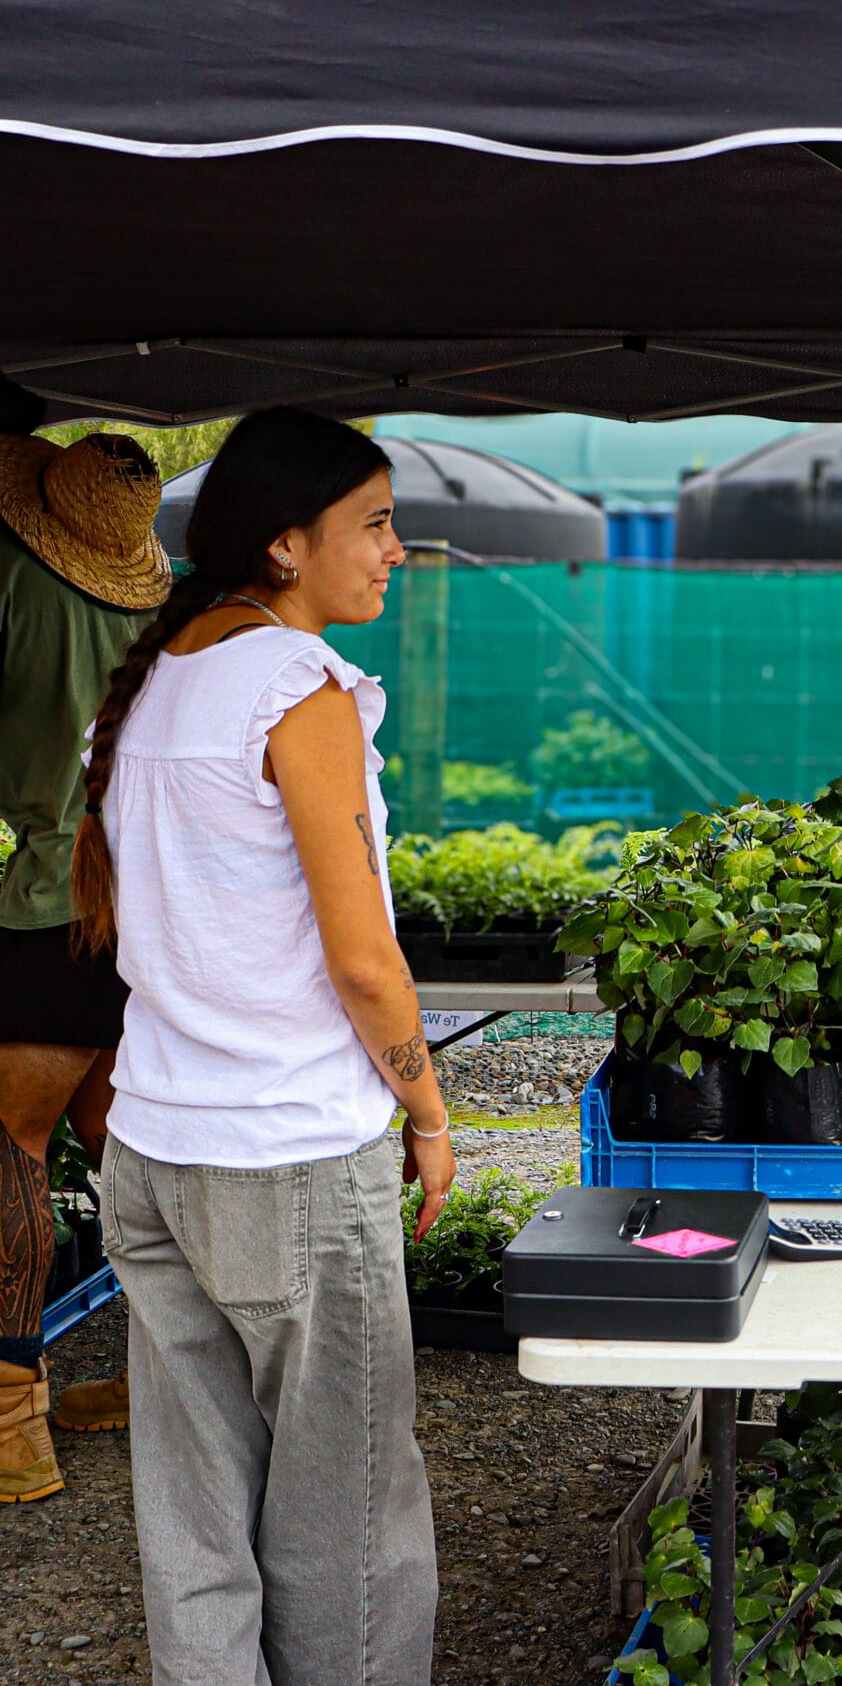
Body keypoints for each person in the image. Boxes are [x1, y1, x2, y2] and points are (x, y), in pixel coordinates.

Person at [74, 407, 450, 1685]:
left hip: (153, 1150)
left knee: (193, 1513)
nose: (396, 550)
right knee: (347, 1518)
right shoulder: (301, 687)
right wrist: (430, 1114)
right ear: (287, 543)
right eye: (376, 523)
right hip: (288, 1154)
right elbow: (364, 962)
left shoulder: (162, 673)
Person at [0, 383, 171, 1501]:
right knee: (135, 1144)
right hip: (163, 901)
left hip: (52, 899)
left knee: (12, 1144)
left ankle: (14, 1419)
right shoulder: (172, 606)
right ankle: (169, 1386)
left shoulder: (8, 580)